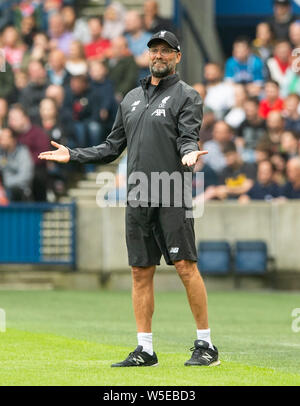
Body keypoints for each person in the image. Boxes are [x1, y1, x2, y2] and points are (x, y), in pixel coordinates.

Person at [39, 30, 220, 368]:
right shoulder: (131, 99)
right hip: (137, 194)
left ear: (178, 57)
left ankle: (206, 345)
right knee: (140, 271)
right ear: (148, 56)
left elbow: (188, 136)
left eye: (166, 51)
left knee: (185, 266)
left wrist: (189, 153)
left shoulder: (187, 96)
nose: (159, 56)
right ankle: (145, 350)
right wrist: (73, 155)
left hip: (171, 189)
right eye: (154, 50)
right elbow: (111, 147)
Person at [8, 103, 50, 201]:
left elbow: (43, 154)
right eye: (10, 118)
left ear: (25, 118)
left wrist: (24, 162)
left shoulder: (38, 134)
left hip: (34, 174)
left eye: (14, 118)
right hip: (12, 171)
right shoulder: (10, 135)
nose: (11, 122)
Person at [0, 127, 33, 201]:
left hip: (20, 195)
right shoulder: (1, 152)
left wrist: (6, 183)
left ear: (13, 139)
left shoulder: (23, 153)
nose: (1, 141)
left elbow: (25, 177)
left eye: (4, 138)